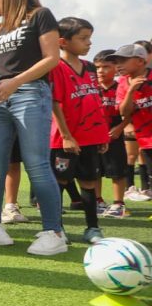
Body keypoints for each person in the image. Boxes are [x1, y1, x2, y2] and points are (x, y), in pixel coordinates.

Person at [0, 0, 65, 255]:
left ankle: (53, 232)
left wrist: (15, 82)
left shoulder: (40, 15)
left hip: (30, 93)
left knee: (36, 163)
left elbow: (52, 59)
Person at [48, 18, 110, 243]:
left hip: (91, 137)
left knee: (89, 182)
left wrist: (101, 134)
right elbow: (55, 103)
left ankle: (92, 228)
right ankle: (56, 229)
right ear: (63, 42)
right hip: (65, 139)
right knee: (60, 182)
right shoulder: (55, 67)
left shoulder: (90, 68)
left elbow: (95, 100)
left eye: (90, 37)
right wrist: (66, 136)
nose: (89, 42)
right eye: (83, 38)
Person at [112, 44, 151, 211]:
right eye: (117, 61)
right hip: (146, 139)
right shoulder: (122, 82)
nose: (118, 64)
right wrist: (130, 90)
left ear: (140, 61)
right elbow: (124, 111)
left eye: (123, 60)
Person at [94, 49, 129, 217]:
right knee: (94, 170)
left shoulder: (121, 86)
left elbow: (131, 111)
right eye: (98, 67)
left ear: (116, 68)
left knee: (117, 170)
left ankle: (118, 204)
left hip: (114, 133)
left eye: (106, 67)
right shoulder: (91, 87)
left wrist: (121, 127)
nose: (101, 71)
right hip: (93, 134)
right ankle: (98, 201)